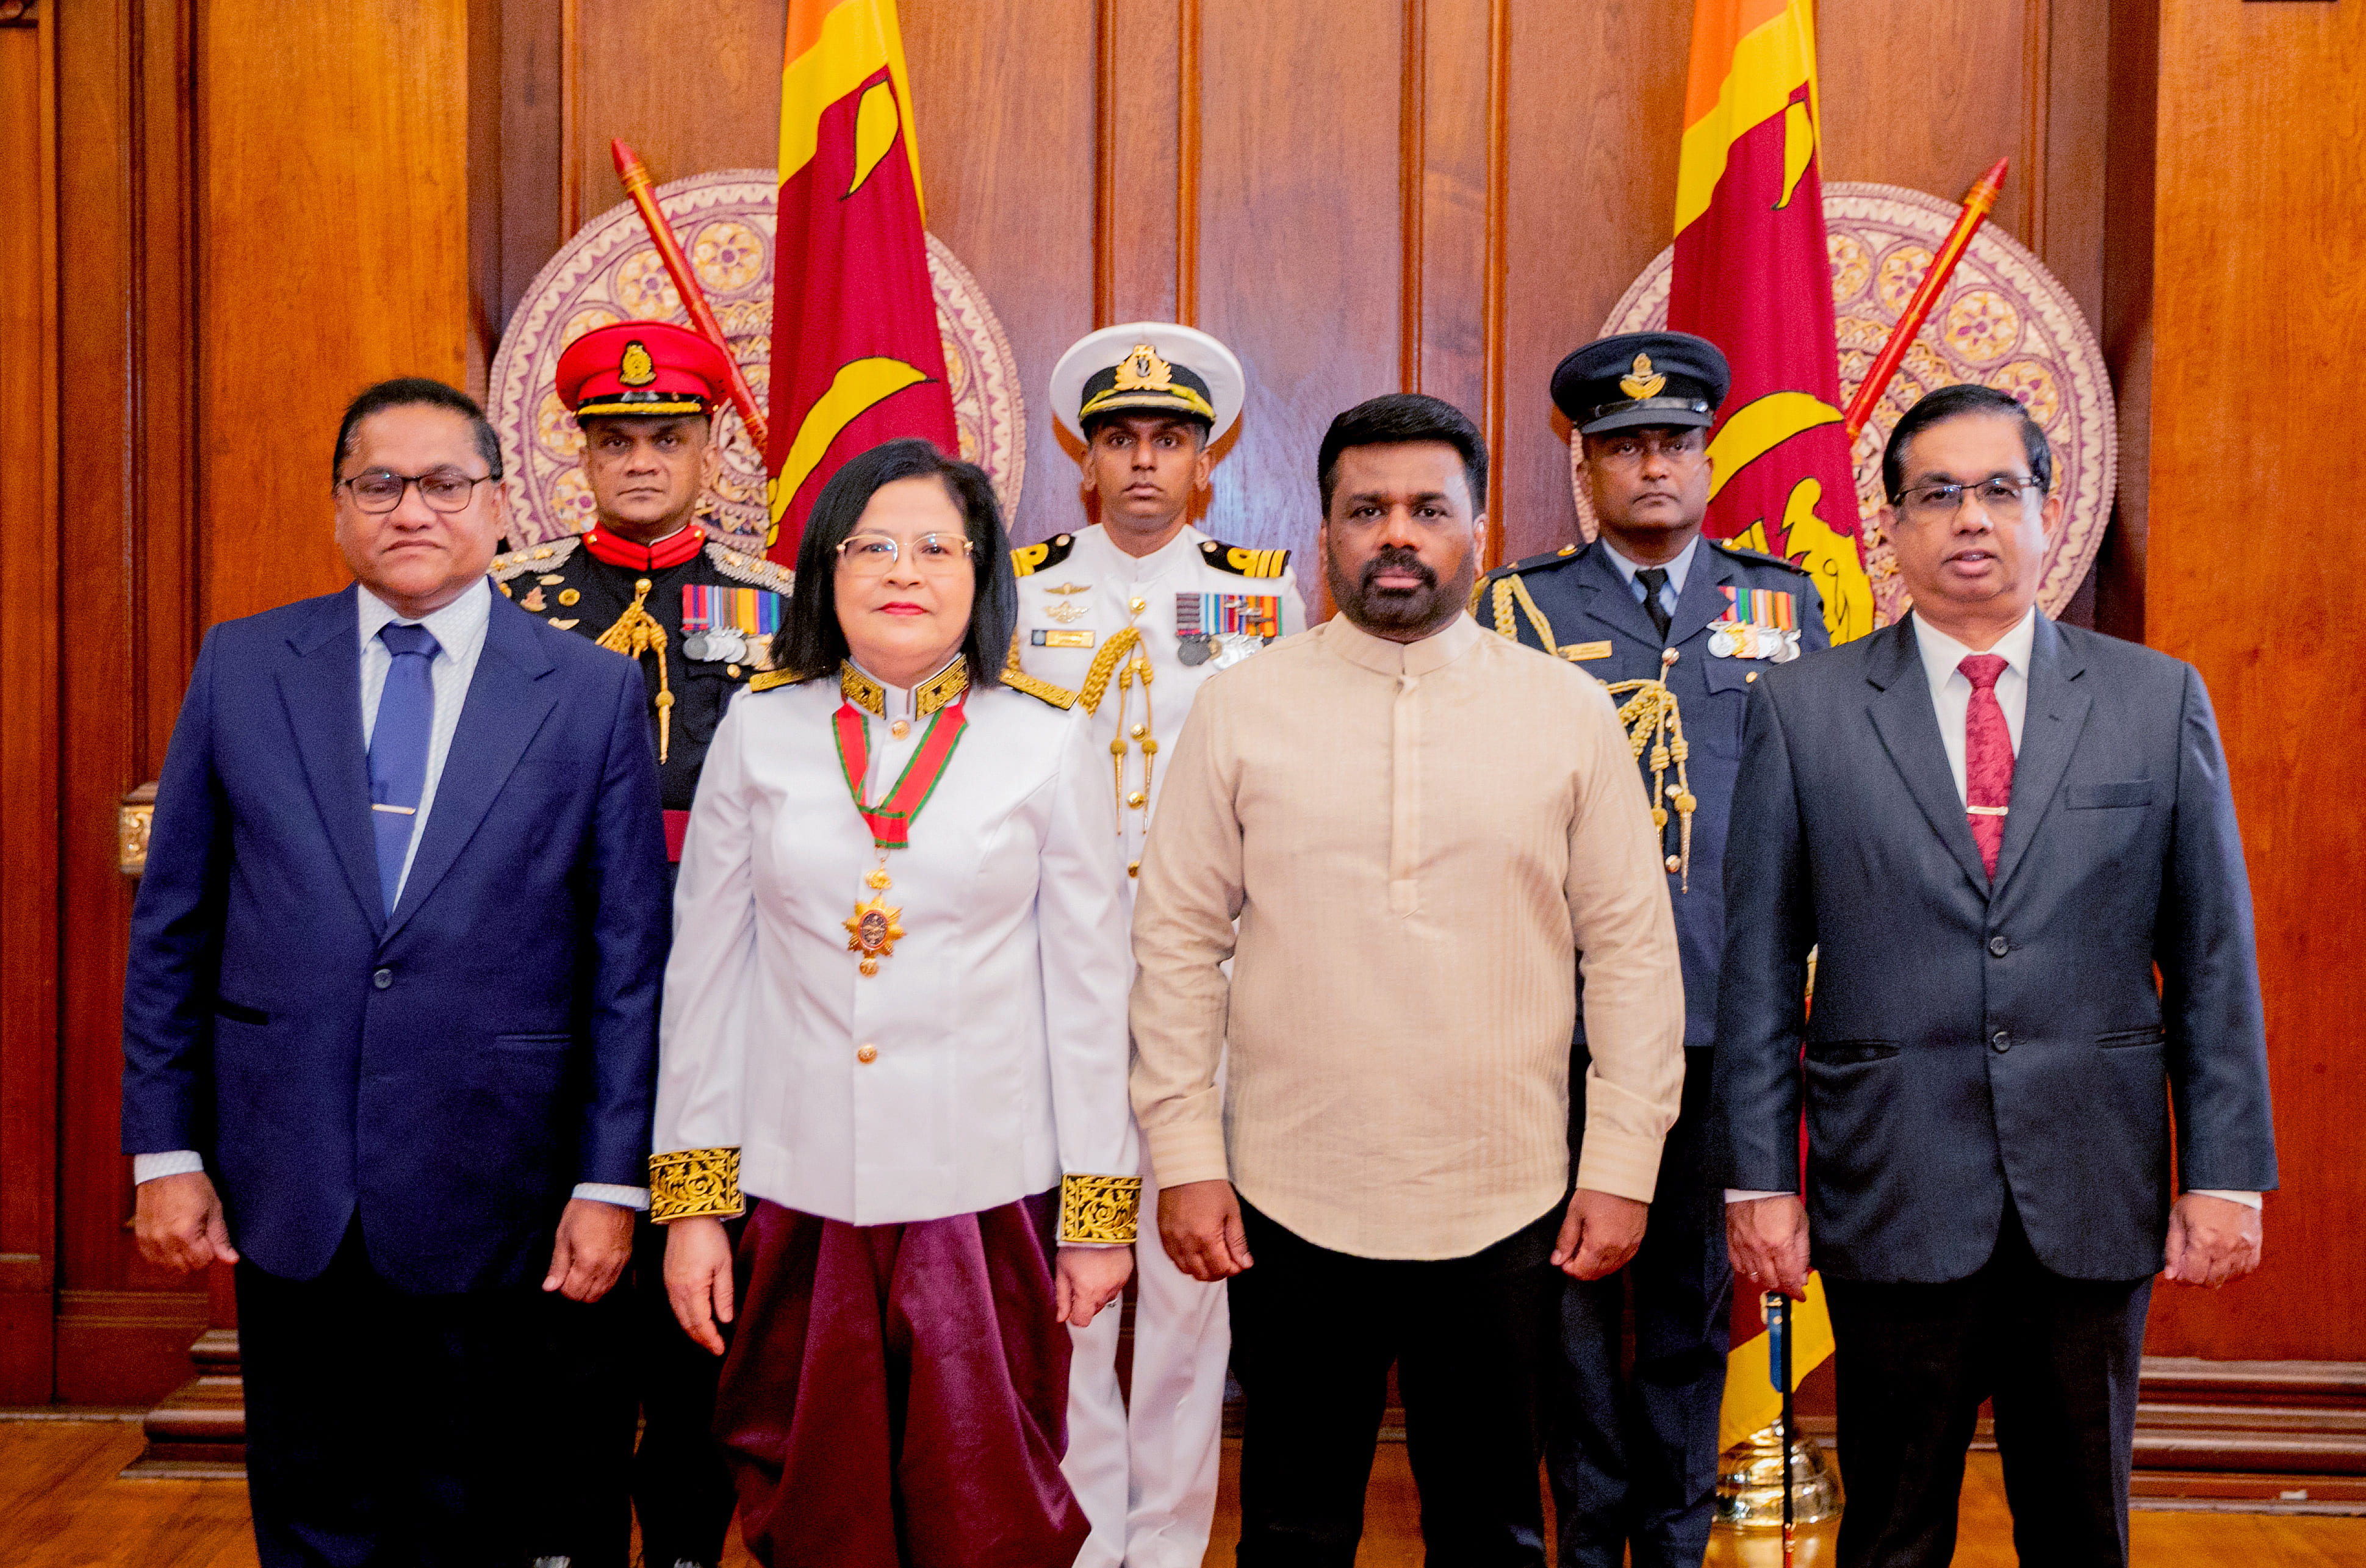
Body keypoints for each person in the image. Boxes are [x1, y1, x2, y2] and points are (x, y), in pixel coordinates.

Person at [1716, 383, 2277, 1568]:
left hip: (2091, 1187)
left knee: (2080, 1530)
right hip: (1893, 1188)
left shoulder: (2153, 698)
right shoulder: (1804, 711)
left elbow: (2214, 952)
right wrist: (1756, 1178)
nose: (1969, 518)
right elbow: (1758, 968)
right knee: (1892, 1531)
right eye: (1937, 494)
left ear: (2046, 511)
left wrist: (2225, 1171)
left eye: (1998, 490)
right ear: (1894, 530)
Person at [1129, 393, 1687, 1567]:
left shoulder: (1570, 714)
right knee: (1289, 1522)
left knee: (1491, 1527)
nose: (1396, 534)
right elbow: (1176, 944)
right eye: (1365, 510)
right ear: (1322, 530)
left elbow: (1632, 954)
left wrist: (1624, 1166)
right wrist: (1184, 1157)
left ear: (1476, 530)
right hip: (1285, 1195)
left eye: (1427, 509)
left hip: (1509, 1200)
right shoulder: (1241, 705)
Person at [120, 377, 670, 1566]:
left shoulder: (587, 692)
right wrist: (167, 1154)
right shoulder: (245, 665)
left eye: (443, 483)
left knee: (482, 1505)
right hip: (291, 1173)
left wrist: (611, 1181)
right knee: (315, 1508)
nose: (410, 508)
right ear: (339, 507)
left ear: (497, 501)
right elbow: (174, 928)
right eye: (380, 483)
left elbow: (628, 960)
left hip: (502, 1180)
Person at [652, 437, 1141, 1568]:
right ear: (826, 569)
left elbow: (1086, 992)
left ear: (980, 578)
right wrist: (689, 1203)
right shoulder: (762, 731)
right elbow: (707, 979)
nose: (901, 569)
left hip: (984, 1198)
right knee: (818, 1511)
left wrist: (1098, 1217)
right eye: (871, 545)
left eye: (934, 546)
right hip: (797, 1193)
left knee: (985, 1507)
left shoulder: (1045, 738)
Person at [1476, 331, 1827, 1568]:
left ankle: (1675, 1547)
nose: (1651, 467)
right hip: (1560, 1027)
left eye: (1672, 441)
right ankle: (1587, 1545)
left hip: (1721, 1020)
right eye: (1621, 448)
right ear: (1583, 466)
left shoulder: (1783, 605)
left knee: (1687, 1313)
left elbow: (1816, 808)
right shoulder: (1514, 610)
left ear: (1708, 451)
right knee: (1565, 1314)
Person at [1013, 323, 1306, 1568]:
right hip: (1051, 981)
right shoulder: (1019, 588)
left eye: (1169, 440)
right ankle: (1081, 1539)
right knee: (1070, 1280)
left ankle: (1170, 1544)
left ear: (1206, 460)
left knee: (1189, 1288)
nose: (1143, 463)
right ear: (1084, 461)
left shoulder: (1259, 595)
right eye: (1120, 439)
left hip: (1209, 988)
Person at [504, 318, 792, 1568]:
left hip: (728, 999)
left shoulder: (779, 606)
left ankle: (683, 1545)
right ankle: (566, 1545)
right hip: (555, 996)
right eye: (613, 440)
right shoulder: (513, 603)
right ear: (580, 454)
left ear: (711, 447)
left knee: (701, 1313)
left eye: (665, 438)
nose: (637, 462)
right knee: (565, 1312)